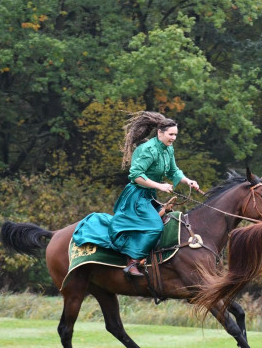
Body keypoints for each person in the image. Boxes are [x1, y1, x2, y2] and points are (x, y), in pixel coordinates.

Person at [72, 111, 201, 277]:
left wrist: (188, 181)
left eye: (175, 135)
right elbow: (136, 176)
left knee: (165, 221)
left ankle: (159, 216)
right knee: (155, 227)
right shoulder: (148, 150)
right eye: (171, 134)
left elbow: (174, 171)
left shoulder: (168, 149)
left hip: (149, 195)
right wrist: (160, 186)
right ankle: (132, 262)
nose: (174, 138)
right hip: (136, 196)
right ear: (160, 133)